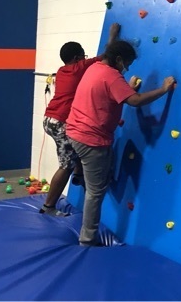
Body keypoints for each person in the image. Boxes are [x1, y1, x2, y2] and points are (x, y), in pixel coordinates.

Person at [66, 39, 175, 246]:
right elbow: (134, 101)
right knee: (95, 192)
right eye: (127, 63)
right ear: (118, 59)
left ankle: (86, 175)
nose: (128, 68)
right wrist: (163, 90)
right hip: (91, 138)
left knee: (100, 172)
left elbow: (112, 90)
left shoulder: (95, 68)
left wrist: (126, 86)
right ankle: (87, 238)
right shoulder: (112, 76)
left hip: (75, 131)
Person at [40, 23, 121, 217]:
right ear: (77, 58)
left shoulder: (61, 71)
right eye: (83, 56)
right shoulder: (79, 68)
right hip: (61, 122)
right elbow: (105, 57)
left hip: (50, 119)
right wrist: (112, 35)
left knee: (77, 141)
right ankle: (49, 206)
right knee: (66, 163)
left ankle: (78, 174)